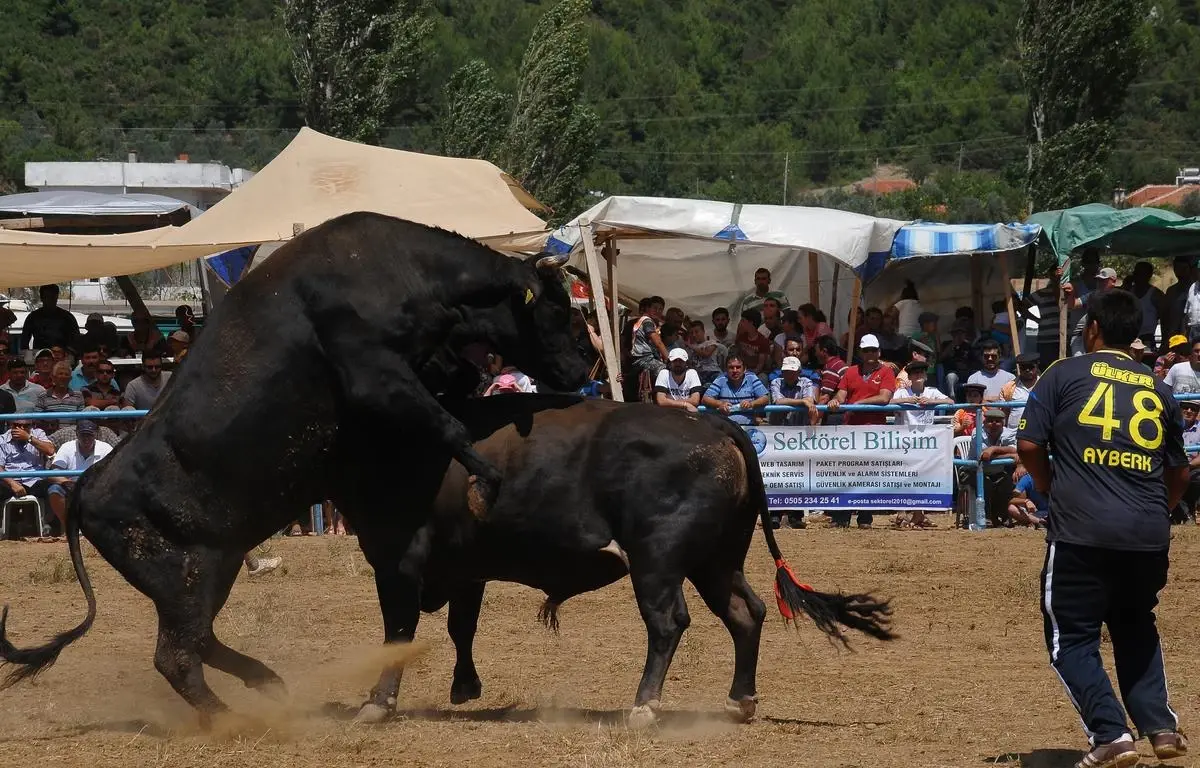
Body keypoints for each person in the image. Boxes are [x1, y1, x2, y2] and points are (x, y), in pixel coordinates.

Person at [1016, 288, 1190, 767]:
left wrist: (1051, 491)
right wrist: (1155, 509)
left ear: (1091, 328)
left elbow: (1029, 447)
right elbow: (1179, 473)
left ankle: (1110, 733)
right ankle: (1160, 727)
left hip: (1082, 533)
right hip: (1148, 535)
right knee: (1136, 625)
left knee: (1070, 638)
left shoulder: (1064, 373)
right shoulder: (1160, 389)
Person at [701, 354, 769, 426]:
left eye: (738, 367)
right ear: (726, 369)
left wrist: (751, 404)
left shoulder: (751, 377)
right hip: (726, 426)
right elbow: (705, 399)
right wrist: (720, 404)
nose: (735, 370)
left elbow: (765, 398)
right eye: (731, 367)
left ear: (744, 369)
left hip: (749, 426)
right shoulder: (721, 379)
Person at [21, 284, 80, 354]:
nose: (50, 300)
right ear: (41, 298)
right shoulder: (33, 317)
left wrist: (68, 355)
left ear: (57, 297)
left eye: (52, 297)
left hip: (62, 358)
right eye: (47, 297)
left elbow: (76, 341)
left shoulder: (67, 317)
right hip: (40, 358)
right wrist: (28, 357)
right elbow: (24, 341)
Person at [768, 356, 819, 426]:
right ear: (782, 372)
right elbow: (778, 401)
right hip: (779, 428)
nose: (789, 375)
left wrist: (804, 401)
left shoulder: (806, 382)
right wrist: (803, 401)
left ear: (799, 372)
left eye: (792, 372)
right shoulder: (776, 382)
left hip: (801, 427)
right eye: (786, 372)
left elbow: (809, 400)